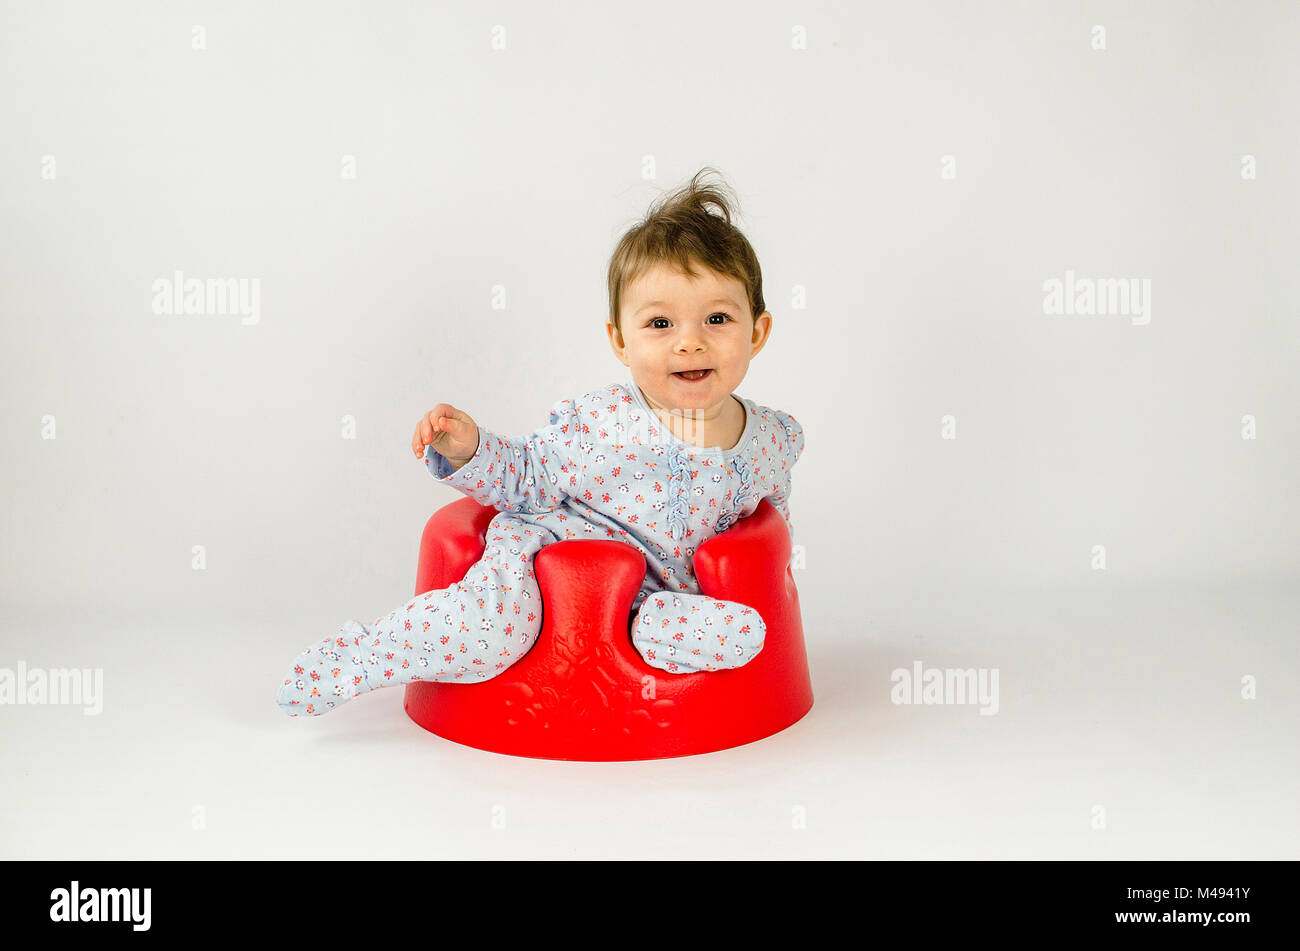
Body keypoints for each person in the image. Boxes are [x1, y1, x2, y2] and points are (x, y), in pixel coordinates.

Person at [275, 167, 805, 717]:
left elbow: (769, 529)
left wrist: (768, 570)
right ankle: (357, 657)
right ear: (620, 341)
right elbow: (528, 475)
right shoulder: (602, 422)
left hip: (656, 596)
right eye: (660, 324)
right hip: (549, 559)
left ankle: (641, 638)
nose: (690, 343)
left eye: (717, 318)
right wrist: (469, 447)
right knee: (491, 632)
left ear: (757, 333)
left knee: (744, 632)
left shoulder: (772, 438)